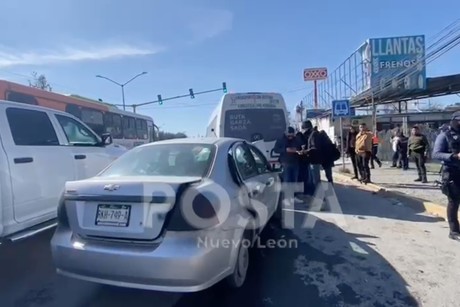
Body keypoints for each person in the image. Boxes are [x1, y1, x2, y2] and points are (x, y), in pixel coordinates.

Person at [432, 111, 460, 240]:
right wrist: (454, 156)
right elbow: (436, 154)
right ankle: (454, 231)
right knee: (453, 202)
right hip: (452, 172)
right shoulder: (444, 136)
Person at [274, 127, 302, 202]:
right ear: (286, 134)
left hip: (295, 162)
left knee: (294, 180)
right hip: (285, 162)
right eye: (289, 135)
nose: (290, 137)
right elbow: (276, 149)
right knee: (287, 180)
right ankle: (286, 197)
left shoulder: (296, 139)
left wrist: (299, 151)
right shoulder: (281, 139)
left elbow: (300, 147)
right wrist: (285, 150)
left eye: (292, 135)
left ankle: (293, 196)